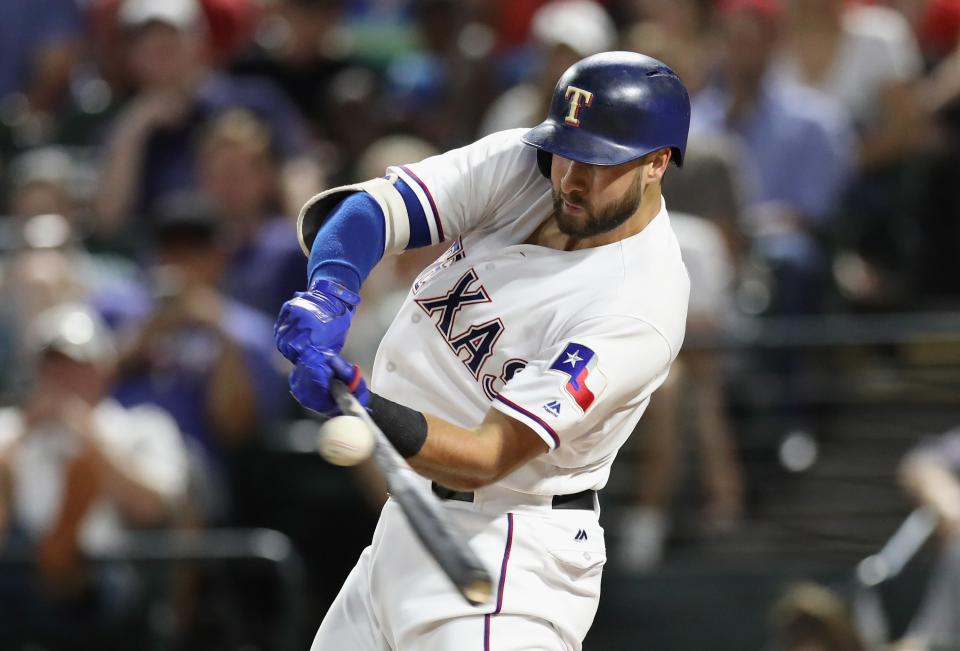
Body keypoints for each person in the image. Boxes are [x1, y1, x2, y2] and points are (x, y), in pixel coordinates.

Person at [274, 51, 691, 650]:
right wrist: (329, 294)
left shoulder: (637, 304)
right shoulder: (529, 164)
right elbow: (369, 211)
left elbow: (487, 454)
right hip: (410, 523)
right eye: (566, 154)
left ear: (656, 164)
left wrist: (365, 403)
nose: (571, 179)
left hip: (506, 552)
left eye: (598, 164)